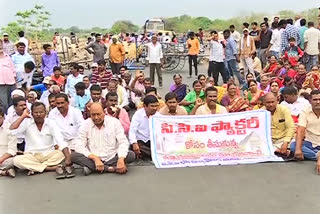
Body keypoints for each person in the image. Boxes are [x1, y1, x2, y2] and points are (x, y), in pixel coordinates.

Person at [10, 102, 75, 179]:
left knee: (66, 152)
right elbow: (11, 131)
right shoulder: (26, 122)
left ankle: (36, 168)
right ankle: (49, 168)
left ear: (45, 113)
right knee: (16, 160)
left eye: (41, 112)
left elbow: (60, 140)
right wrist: (23, 116)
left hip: (49, 154)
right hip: (32, 155)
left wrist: (68, 158)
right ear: (32, 113)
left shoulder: (51, 123)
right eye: (36, 112)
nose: (38, 114)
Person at [71, 103, 135, 175]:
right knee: (73, 156)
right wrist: (95, 158)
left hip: (112, 157)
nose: (96, 117)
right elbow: (79, 145)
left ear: (104, 113)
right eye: (93, 115)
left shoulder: (114, 122)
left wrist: (121, 159)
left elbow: (123, 142)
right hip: (92, 158)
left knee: (131, 155)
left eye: (98, 114)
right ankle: (110, 168)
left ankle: (92, 168)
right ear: (89, 114)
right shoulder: (85, 124)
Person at [290, 90, 320, 172]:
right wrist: (298, 149)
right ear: (310, 101)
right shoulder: (305, 111)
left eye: (319, 99)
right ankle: (317, 156)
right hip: (310, 143)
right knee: (293, 146)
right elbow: (300, 130)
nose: (318, 102)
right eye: (315, 100)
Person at [129, 95, 159, 160]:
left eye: (156, 106)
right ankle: (154, 154)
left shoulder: (158, 115)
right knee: (136, 147)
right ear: (145, 106)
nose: (155, 108)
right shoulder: (138, 114)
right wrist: (134, 143)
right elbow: (132, 131)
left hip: (152, 141)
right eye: (152, 106)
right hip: (140, 141)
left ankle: (151, 154)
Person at [0, 108, 17, 178]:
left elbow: (12, 150)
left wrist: (0, 160)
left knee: (16, 161)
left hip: (5, 158)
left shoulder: (10, 128)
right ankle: (4, 172)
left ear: (3, 117)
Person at [0, 39, 16, 112]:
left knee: (12, 102)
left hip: (11, 82)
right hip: (1, 84)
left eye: (0, 44)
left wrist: (15, 81)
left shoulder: (7, 56)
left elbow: (13, 69)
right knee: (4, 103)